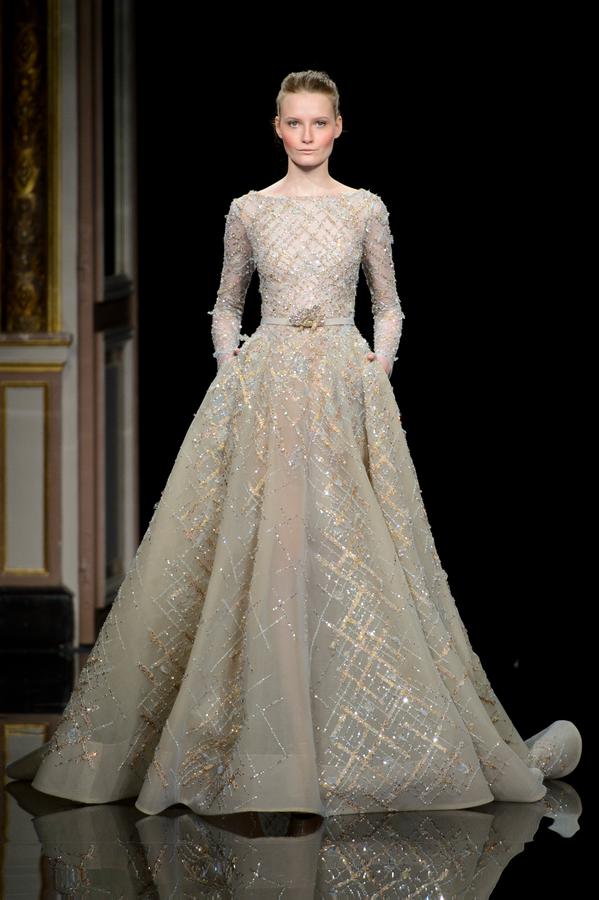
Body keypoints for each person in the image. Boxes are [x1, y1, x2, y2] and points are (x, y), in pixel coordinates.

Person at [6, 70, 581, 817]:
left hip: (342, 388)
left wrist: (375, 368)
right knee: (260, 547)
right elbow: (225, 305)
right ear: (276, 129)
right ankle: (252, 743)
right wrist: (234, 370)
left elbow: (390, 304)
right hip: (267, 387)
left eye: (318, 122)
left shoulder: (363, 208)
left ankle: (346, 740)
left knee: (347, 546)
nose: (307, 135)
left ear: (339, 127)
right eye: (294, 122)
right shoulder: (250, 210)